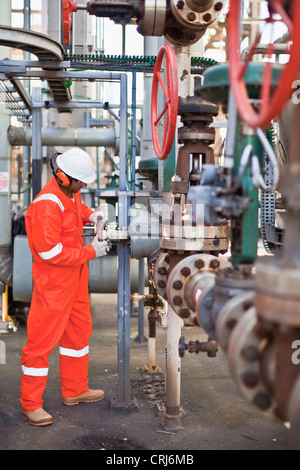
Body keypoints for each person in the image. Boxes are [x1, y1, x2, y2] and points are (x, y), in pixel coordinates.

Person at [20, 148, 108, 426]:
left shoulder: (70, 191)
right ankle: (30, 404)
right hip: (53, 284)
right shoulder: (47, 204)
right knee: (40, 343)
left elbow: (77, 210)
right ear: (62, 175)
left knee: (78, 336)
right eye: (81, 182)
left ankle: (75, 389)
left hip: (75, 279)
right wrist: (92, 252)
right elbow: (50, 253)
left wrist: (92, 216)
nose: (84, 186)